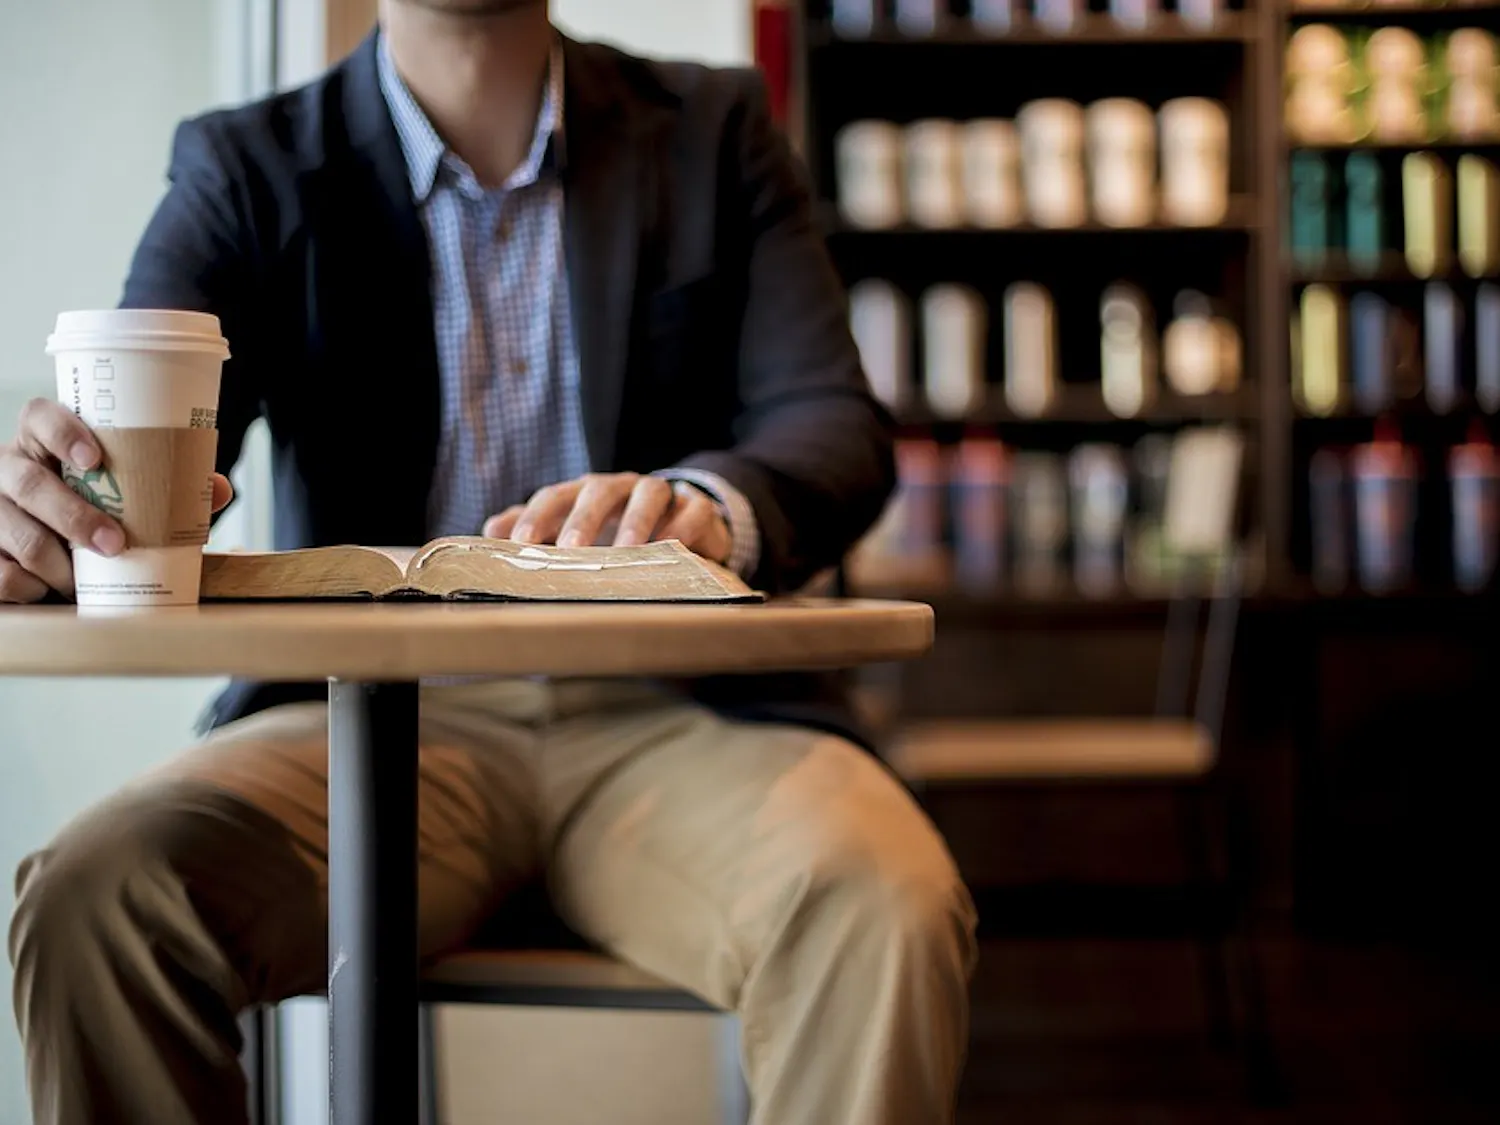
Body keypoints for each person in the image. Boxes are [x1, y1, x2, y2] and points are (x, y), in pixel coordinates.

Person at [1, 2, 977, 1122]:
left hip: (681, 718)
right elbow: (124, 466)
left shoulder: (713, 126)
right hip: (363, 723)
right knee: (97, 900)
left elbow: (834, 429)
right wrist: (50, 513)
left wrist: (705, 505)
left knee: (882, 903)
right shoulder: (249, 163)